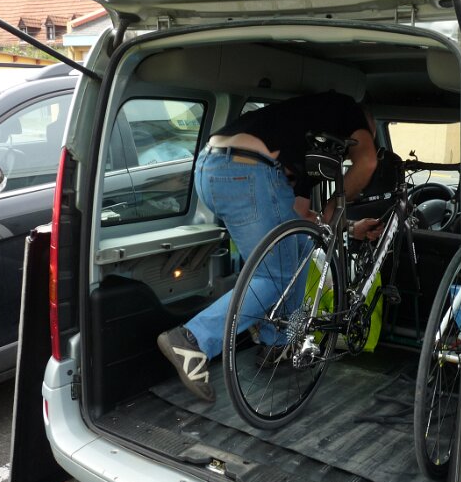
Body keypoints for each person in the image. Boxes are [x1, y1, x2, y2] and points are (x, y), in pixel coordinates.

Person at [157, 91, 382, 402]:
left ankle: (278, 342)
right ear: (365, 126)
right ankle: (193, 340)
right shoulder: (346, 109)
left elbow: (300, 218)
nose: (348, 158)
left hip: (212, 170)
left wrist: (349, 226)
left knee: (299, 245)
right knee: (275, 276)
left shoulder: (305, 133)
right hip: (247, 171)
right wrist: (335, 207)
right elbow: (367, 162)